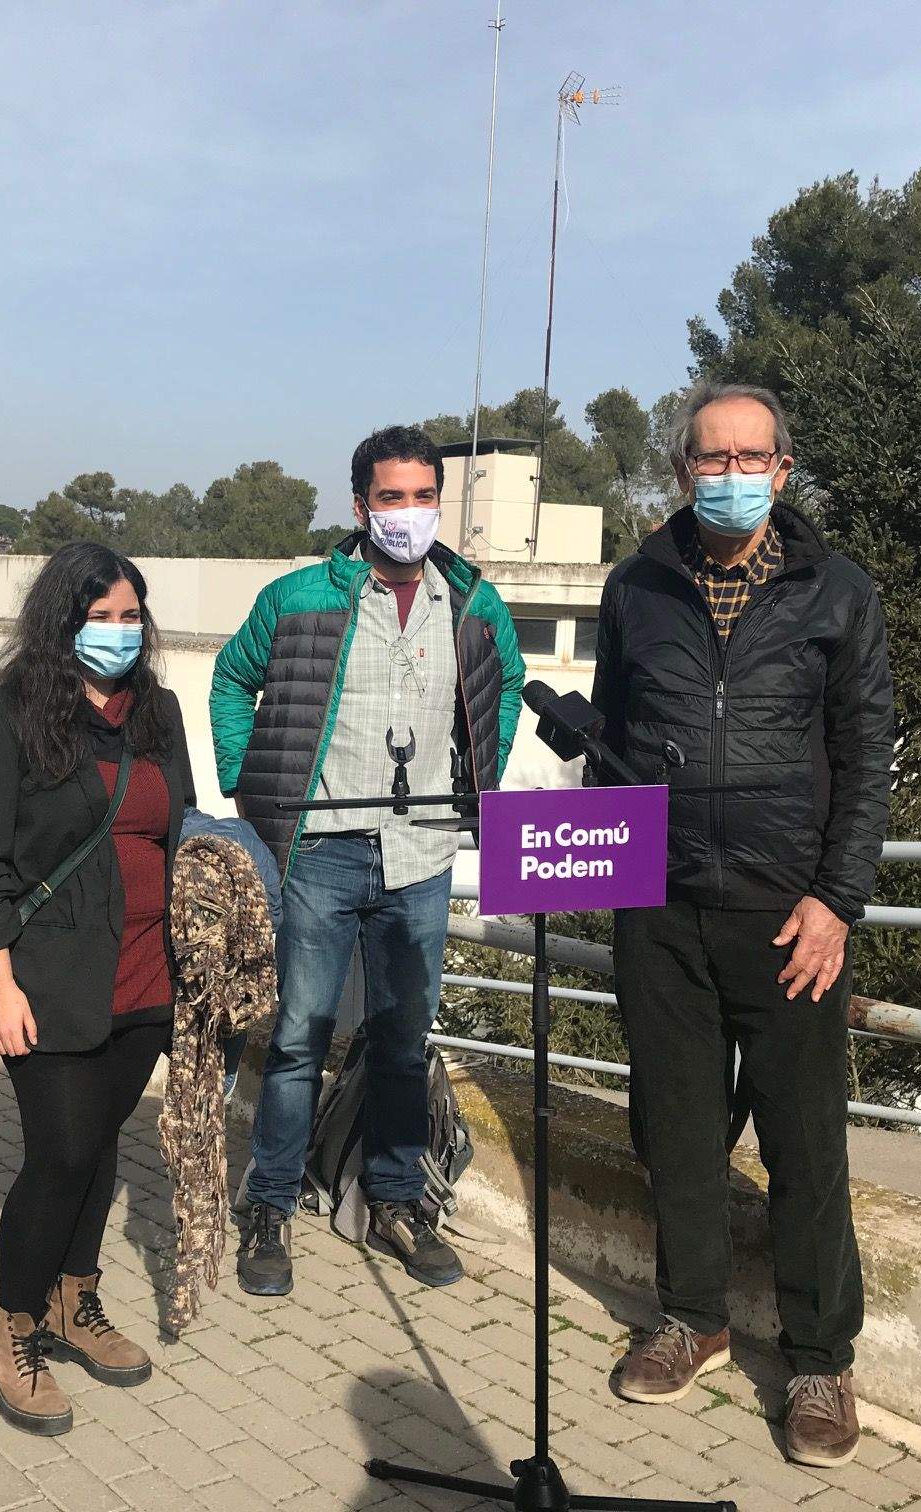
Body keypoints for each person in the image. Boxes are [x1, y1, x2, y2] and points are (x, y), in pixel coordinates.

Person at [590, 382, 894, 1468]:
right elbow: (612, 740)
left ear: (783, 467)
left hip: (788, 913)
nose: (727, 474)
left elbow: (865, 764)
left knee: (805, 1138)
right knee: (674, 1122)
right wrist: (601, 850)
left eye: (747, 456)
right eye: (708, 458)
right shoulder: (636, 589)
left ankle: (819, 1360)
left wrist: (837, 900)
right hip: (659, 904)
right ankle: (694, 1319)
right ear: (682, 471)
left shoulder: (837, 593)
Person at [212, 424, 524, 1297]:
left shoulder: (469, 601)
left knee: (400, 1041)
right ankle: (268, 1206)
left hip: (422, 854)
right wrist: (248, 777)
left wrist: (478, 773)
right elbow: (233, 678)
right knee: (299, 1038)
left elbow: (508, 678)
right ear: (360, 506)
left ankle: (396, 1201)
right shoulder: (301, 597)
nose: (411, 513)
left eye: (426, 496)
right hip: (322, 852)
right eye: (393, 497)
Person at [0, 542, 197, 1437]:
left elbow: (181, 834)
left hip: (145, 975)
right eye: (100, 617)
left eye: (131, 616)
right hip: (45, 980)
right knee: (58, 1154)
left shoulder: (157, 712)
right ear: (62, 622)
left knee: (99, 1147)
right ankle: (12, 1328)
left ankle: (72, 1301)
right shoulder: (3, 718)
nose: (119, 633)